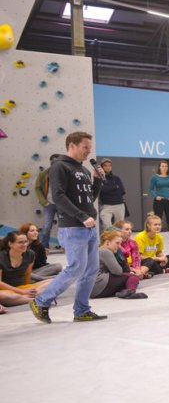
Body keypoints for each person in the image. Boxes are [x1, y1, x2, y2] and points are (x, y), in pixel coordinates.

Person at [29, 132, 107, 324]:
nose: (89, 151)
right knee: (76, 267)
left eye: (90, 147)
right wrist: (80, 216)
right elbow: (58, 196)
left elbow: (89, 198)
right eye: (85, 147)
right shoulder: (59, 167)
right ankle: (41, 301)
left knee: (91, 269)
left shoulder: (83, 169)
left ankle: (81, 310)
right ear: (72, 145)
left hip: (89, 226)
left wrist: (97, 181)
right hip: (73, 227)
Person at [1, 231, 54, 304]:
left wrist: (30, 290)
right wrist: (22, 292)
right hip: (5, 290)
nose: (24, 245)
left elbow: (27, 274)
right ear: (10, 244)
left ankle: (26, 298)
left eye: (26, 242)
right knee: (4, 296)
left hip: (22, 288)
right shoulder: (2, 257)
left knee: (54, 282)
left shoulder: (30, 254)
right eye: (20, 242)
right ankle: (35, 299)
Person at [91, 231, 146, 299]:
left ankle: (124, 291)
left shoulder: (96, 250)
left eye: (120, 244)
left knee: (125, 279)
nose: (119, 246)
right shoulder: (105, 251)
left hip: (91, 290)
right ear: (107, 242)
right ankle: (131, 291)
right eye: (117, 243)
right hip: (99, 284)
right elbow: (118, 272)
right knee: (133, 277)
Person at [34, 153, 61, 250]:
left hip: (62, 204)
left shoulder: (65, 173)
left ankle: (65, 246)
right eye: (53, 161)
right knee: (46, 227)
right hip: (48, 204)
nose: (55, 163)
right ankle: (44, 248)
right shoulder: (43, 174)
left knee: (64, 227)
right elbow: (37, 188)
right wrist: (43, 201)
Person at [149, 159, 169, 245]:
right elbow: (151, 189)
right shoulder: (154, 177)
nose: (164, 168)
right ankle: (155, 240)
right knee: (157, 222)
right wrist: (156, 196)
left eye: (166, 166)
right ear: (159, 167)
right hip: (159, 201)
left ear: (168, 167)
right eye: (162, 166)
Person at [97, 158, 127, 230]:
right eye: (105, 165)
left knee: (119, 227)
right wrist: (114, 187)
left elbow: (122, 191)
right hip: (106, 206)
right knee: (107, 226)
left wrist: (107, 188)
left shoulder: (116, 178)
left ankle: (118, 241)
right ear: (102, 167)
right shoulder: (98, 178)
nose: (108, 167)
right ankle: (109, 240)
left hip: (119, 205)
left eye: (109, 165)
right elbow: (102, 190)